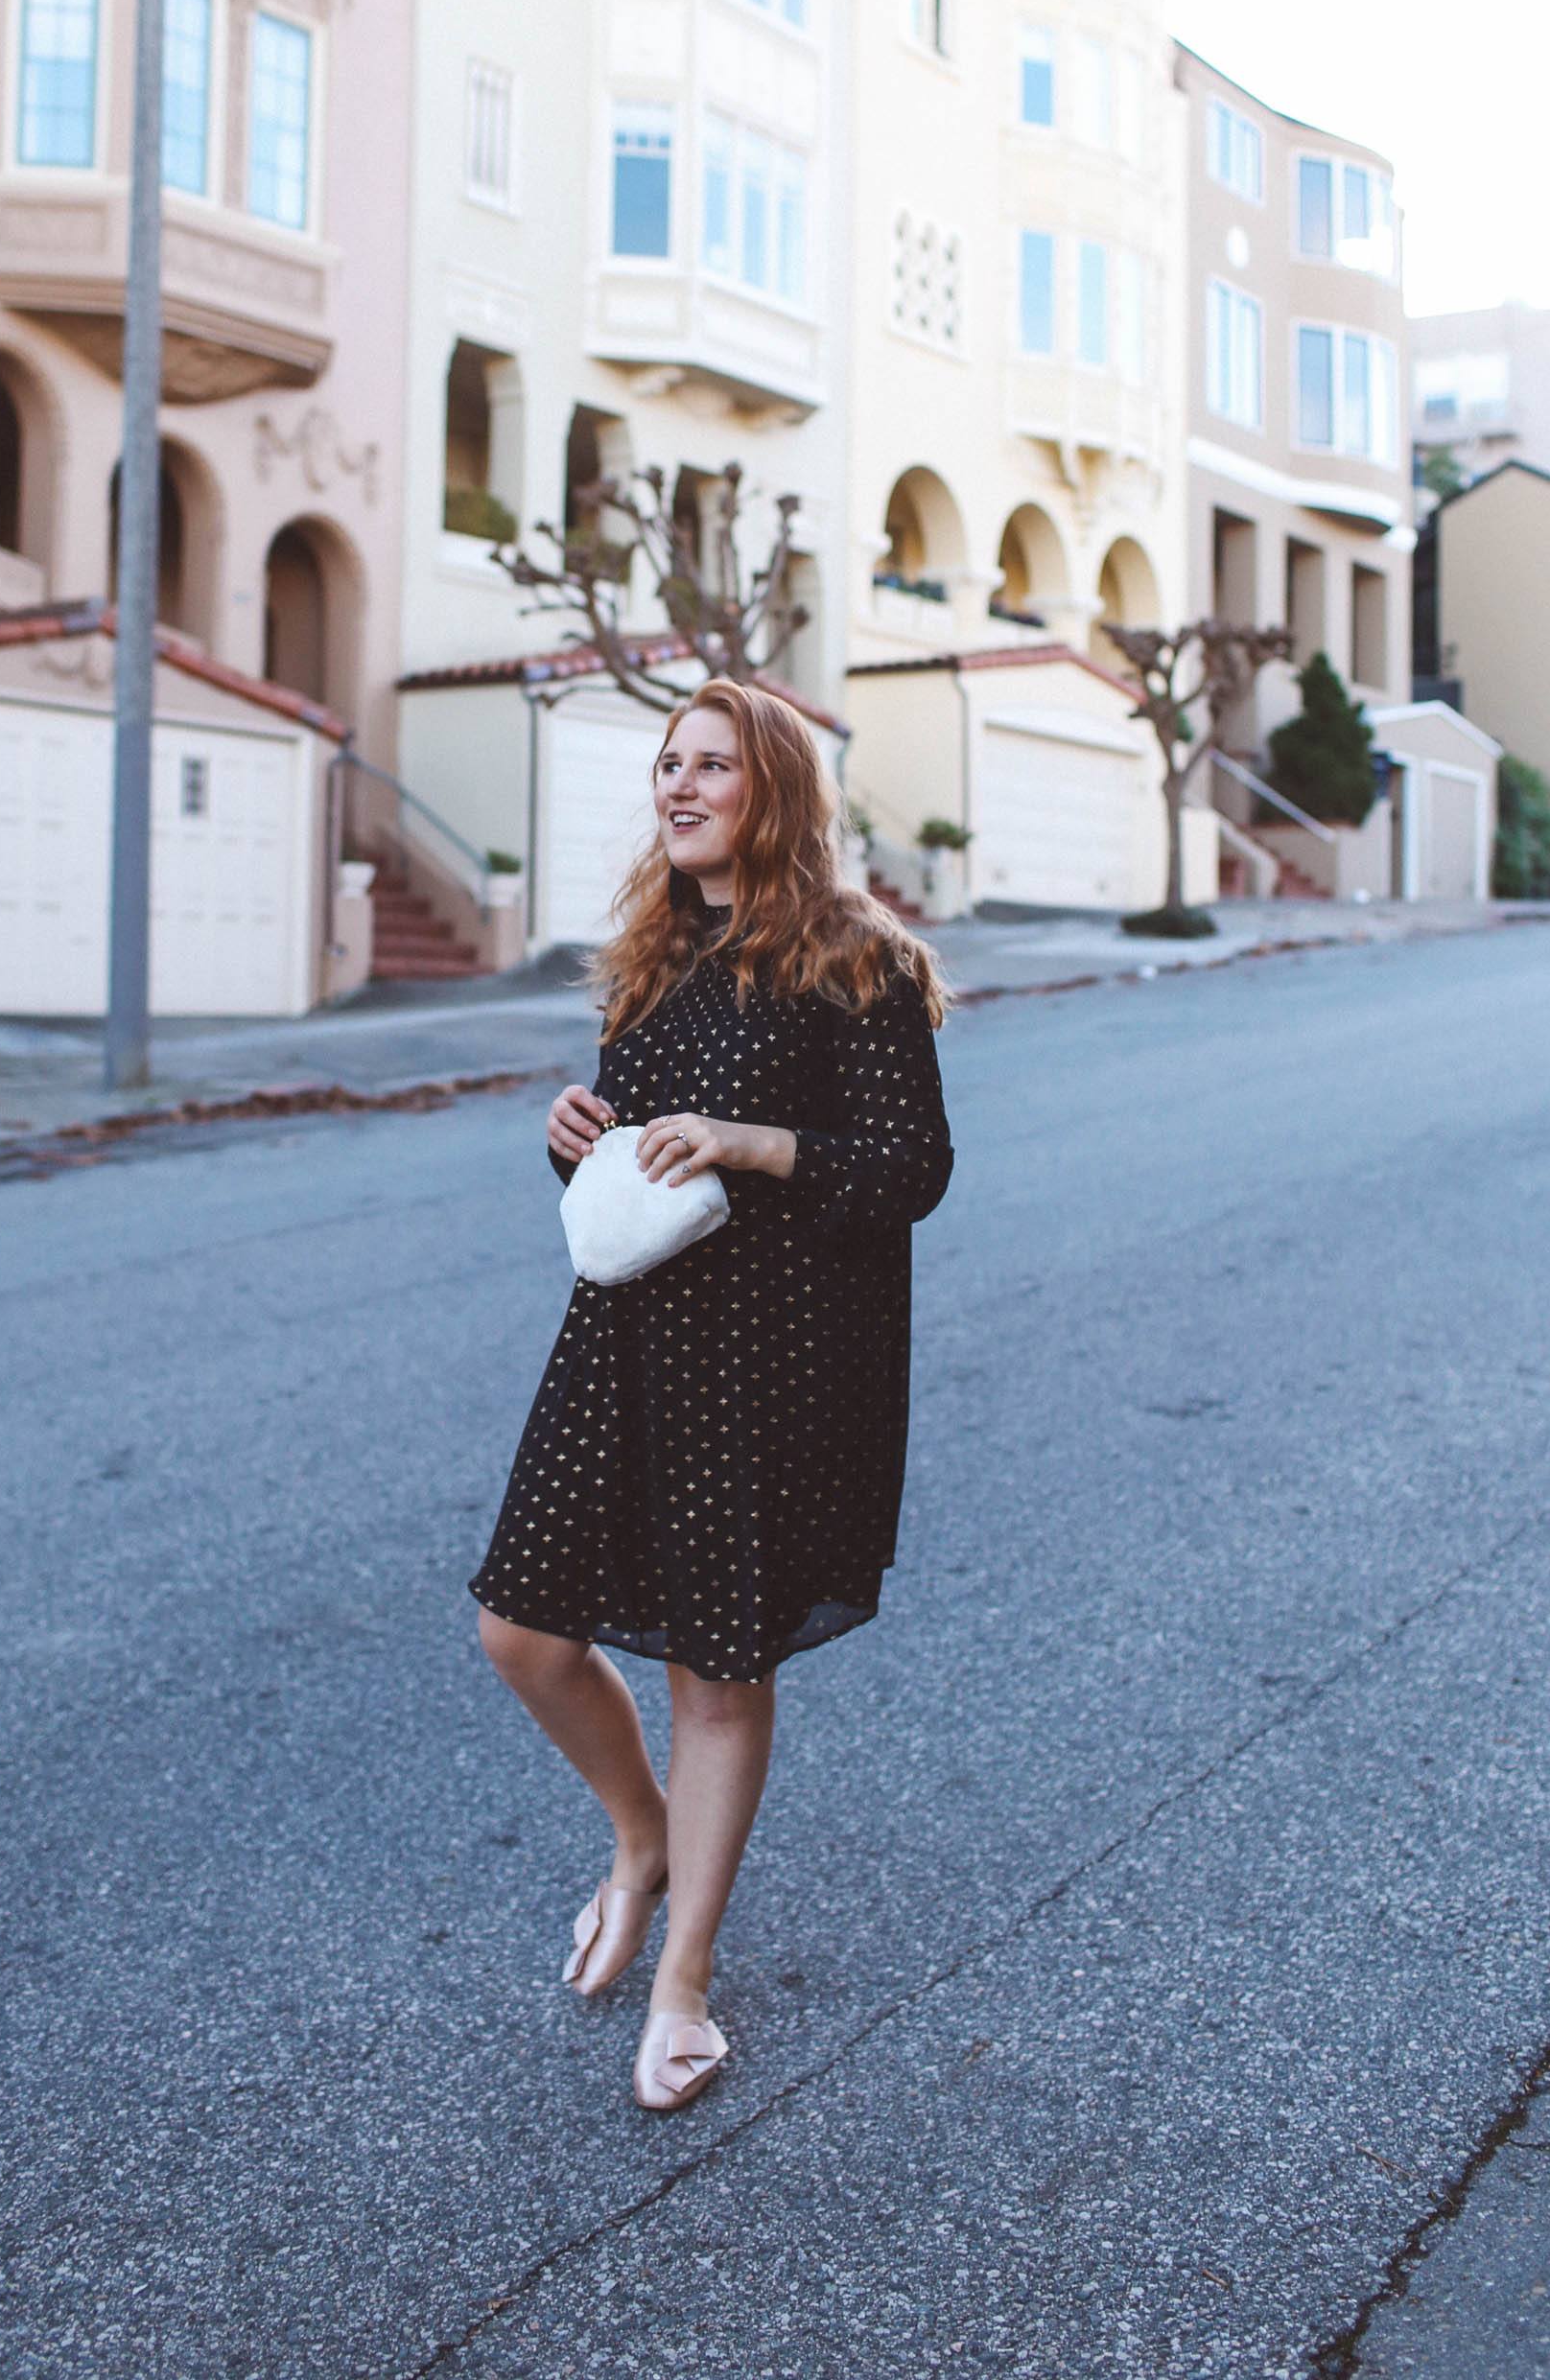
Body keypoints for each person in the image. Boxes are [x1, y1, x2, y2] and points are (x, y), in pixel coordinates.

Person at [470, 677, 953, 2112]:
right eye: (667, 765)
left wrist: (751, 1143)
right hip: (627, 1339)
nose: (677, 788)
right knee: (518, 1630)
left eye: (710, 768)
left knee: (717, 1671)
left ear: (776, 793)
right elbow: (637, 1169)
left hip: (779, 1360)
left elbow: (911, 1171)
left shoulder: (859, 964)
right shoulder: (657, 956)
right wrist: (577, 1142)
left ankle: (682, 1984)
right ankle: (643, 1837)